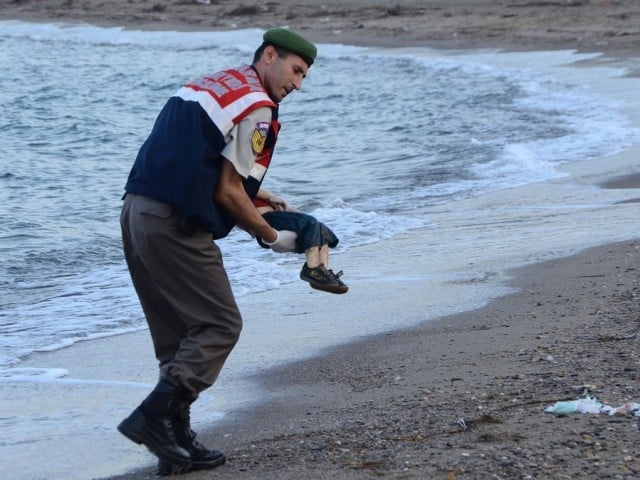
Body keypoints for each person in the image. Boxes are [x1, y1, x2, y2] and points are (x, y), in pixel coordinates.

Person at [117, 28, 317, 476]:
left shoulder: (216, 83)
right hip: (174, 224)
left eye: (304, 76)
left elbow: (197, 161)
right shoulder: (259, 108)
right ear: (270, 55)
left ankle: (175, 445)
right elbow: (228, 192)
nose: (298, 85)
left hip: (136, 212)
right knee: (219, 325)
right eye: (296, 70)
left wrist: (262, 199)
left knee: (176, 337)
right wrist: (270, 236)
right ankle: (152, 416)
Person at [253, 187, 348, 294]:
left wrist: (307, 221)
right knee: (310, 222)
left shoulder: (256, 188)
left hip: (277, 216)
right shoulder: (243, 186)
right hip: (265, 219)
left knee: (320, 227)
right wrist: (271, 196)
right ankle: (311, 270)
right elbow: (248, 187)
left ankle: (322, 274)